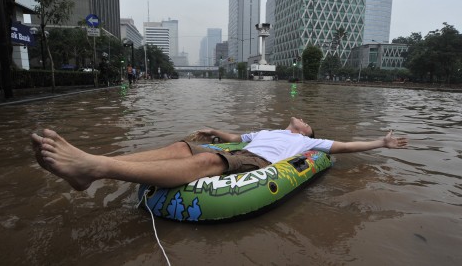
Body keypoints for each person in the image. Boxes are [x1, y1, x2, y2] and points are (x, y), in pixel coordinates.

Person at [31, 117, 408, 191]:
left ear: (307, 133)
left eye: (306, 121)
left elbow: (347, 146)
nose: (300, 119)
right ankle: (93, 164)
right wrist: (214, 131)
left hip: (257, 163)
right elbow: (235, 136)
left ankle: (94, 169)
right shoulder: (269, 129)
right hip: (244, 149)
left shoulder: (309, 144)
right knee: (182, 147)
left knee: (209, 162)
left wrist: (381, 143)